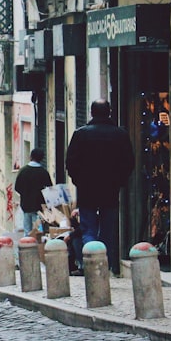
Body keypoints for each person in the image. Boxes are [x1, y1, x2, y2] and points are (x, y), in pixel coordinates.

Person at [65, 99, 135, 276]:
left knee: (88, 229)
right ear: (109, 112)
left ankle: (90, 265)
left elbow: (71, 162)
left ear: (91, 112)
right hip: (110, 189)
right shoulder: (120, 134)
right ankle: (106, 267)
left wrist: (78, 180)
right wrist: (120, 181)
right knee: (107, 229)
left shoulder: (81, 134)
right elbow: (129, 162)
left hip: (87, 189)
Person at [14, 148, 52, 236]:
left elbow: (17, 188)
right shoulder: (44, 172)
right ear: (42, 158)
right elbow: (50, 189)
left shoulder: (23, 171)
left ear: (30, 157)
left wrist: (25, 194)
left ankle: (27, 245)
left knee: (27, 230)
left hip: (26, 205)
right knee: (38, 230)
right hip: (39, 207)